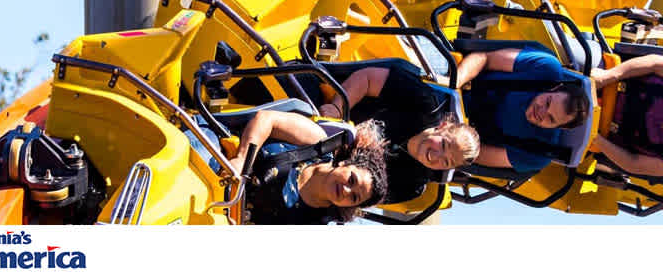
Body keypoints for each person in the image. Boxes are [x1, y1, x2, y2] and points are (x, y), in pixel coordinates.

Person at [318, 64, 480, 204]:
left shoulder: (411, 186)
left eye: (446, 162)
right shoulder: (423, 102)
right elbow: (367, 79)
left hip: (321, 166)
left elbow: (355, 199)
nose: (437, 155)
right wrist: (337, 109)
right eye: (444, 144)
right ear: (443, 127)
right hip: (320, 105)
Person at [191, 110, 389, 224]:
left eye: (354, 197)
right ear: (346, 163)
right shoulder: (317, 144)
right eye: (352, 180)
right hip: (218, 158)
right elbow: (267, 119)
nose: (346, 190)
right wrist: (242, 159)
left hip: (216, 217)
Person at [449, 46, 591, 174]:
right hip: (453, 78)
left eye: (551, 119)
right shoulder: (545, 67)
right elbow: (483, 58)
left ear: (560, 128)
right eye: (547, 102)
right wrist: (453, 84)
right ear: (554, 88)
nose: (541, 112)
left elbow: (475, 155)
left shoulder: (538, 154)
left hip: (449, 133)